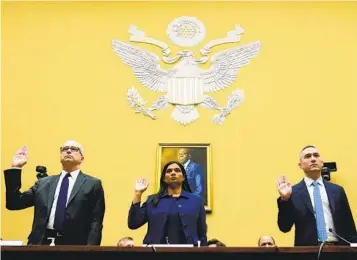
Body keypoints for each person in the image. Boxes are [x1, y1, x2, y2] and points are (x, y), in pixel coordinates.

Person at [3, 140, 105, 245]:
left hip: (75, 246)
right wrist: (16, 167)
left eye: (74, 149)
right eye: (65, 149)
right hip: (40, 244)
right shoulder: (44, 183)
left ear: (82, 158)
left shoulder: (92, 184)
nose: (68, 151)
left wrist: (91, 251)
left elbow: (96, 222)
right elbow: (14, 203)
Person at [276, 145, 356, 246]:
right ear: (300, 165)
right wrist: (285, 199)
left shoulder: (337, 190)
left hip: (337, 249)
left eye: (316, 155)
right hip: (308, 251)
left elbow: (349, 225)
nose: (313, 159)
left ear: (322, 163)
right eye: (308, 156)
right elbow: (284, 227)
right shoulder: (293, 192)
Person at [128, 161, 207, 245]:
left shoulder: (196, 201)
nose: (173, 173)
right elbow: (133, 223)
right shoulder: (152, 201)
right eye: (169, 171)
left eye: (177, 170)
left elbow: (202, 234)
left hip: (188, 253)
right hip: (156, 253)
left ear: (183, 177)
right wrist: (138, 193)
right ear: (164, 179)